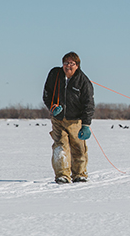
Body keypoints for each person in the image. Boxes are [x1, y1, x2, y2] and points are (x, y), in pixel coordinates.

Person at [43, 51, 95, 183]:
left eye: (72, 63)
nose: (68, 66)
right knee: (60, 146)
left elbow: (89, 104)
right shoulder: (55, 74)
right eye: (66, 63)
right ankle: (62, 175)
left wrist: (86, 125)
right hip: (58, 119)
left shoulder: (83, 81)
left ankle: (79, 174)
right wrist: (52, 107)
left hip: (76, 120)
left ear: (77, 65)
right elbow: (47, 94)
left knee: (78, 148)